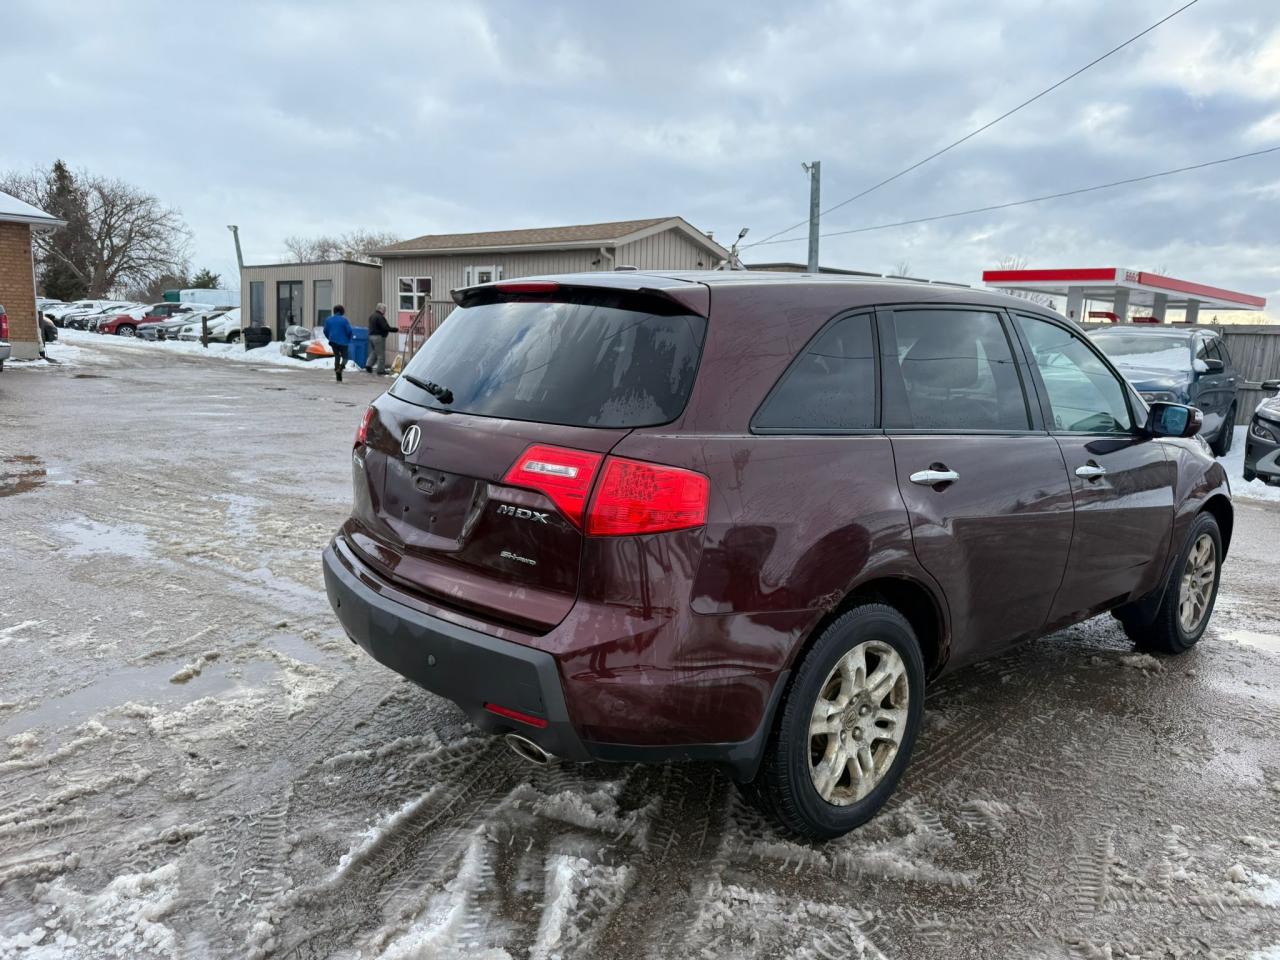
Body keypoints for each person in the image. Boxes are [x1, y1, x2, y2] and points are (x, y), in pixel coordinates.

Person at [323, 305, 354, 382]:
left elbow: (325, 331)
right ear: (341, 311)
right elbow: (349, 331)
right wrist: (349, 338)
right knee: (345, 357)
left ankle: (338, 375)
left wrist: (329, 337)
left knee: (337, 356)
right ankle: (340, 368)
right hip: (343, 342)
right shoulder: (344, 320)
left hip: (333, 342)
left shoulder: (328, 320)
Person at [365, 303, 391, 375]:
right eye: (384, 309)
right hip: (378, 337)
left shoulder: (372, 316)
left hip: (371, 336)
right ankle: (380, 370)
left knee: (374, 352)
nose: (385, 311)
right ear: (380, 309)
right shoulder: (380, 317)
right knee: (381, 354)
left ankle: (368, 365)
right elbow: (385, 327)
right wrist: (394, 329)